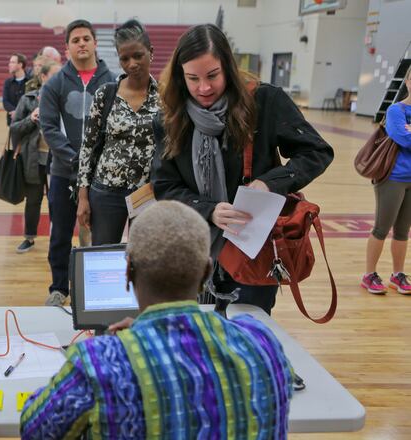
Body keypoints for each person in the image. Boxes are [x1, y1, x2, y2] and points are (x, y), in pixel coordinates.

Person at [20, 201, 294, 439]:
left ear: (127, 271)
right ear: (206, 271)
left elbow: (35, 429)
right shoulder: (262, 343)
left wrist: (115, 349)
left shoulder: (98, 364)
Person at [151, 24, 333, 314]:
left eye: (213, 75)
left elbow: (317, 152)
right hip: (194, 248)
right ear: (179, 76)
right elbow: (164, 186)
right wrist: (208, 209)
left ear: (228, 67)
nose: (204, 88)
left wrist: (269, 183)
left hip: (254, 249)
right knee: (197, 336)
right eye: (192, 78)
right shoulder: (170, 117)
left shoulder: (264, 101)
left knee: (249, 333)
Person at [40, 19, 117, 306]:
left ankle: (98, 287)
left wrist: (97, 164)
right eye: (76, 40)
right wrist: (76, 161)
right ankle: (58, 288)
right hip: (63, 173)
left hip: (103, 176)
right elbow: (49, 128)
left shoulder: (114, 82)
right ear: (67, 47)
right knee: (60, 233)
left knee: (101, 235)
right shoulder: (54, 85)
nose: (82, 43)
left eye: (86, 38)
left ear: (96, 43)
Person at [76, 20, 161, 245]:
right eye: (124, 58)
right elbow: (88, 148)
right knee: (103, 256)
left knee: (145, 259)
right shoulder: (106, 94)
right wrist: (83, 197)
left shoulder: (165, 97)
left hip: (148, 192)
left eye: (138, 55)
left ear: (150, 53)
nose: (132, 64)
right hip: (106, 191)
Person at [362, 67, 411, 295]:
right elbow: (402, 137)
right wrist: (406, 131)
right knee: (382, 228)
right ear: (408, 82)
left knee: (403, 231)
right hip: (392, 178)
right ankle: (369, 274)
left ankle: (397, 274)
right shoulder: (395, 110)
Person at [10, 60, 62, 253]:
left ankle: (57, 241)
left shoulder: (66, 98)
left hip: (58, 159)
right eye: (54, 74)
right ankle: (29, 238)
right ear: (43, 77)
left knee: (58, 202)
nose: (59, 78)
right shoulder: (28, 99)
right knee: (33, 201)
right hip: (34, 159)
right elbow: (14, 129)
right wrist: (30, 119)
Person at [2, 52, 30, 125]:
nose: (9, 64)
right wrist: (15, 112)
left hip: (28, 121)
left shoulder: (31, 82)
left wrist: (19, 113)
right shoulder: (8, 82)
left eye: (13, 62)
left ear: (20, 65)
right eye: (10, 62)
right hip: (12, 120)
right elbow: (5, 101)